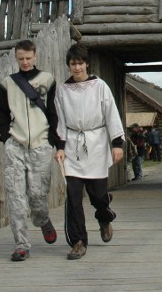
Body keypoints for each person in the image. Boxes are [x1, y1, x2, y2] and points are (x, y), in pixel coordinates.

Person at [54, 43, 125, 260]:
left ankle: (105, 217)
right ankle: (78, 241)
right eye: (73, 64)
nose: (77, 68)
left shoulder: (99, 86)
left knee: (98, 196)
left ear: (87, 64)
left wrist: (117, 143)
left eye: (80, 63)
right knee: (73, 197)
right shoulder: (62, 90)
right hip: (73, 146)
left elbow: (111, 113)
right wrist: (59, 147)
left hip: (95, 144)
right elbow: (60, 120)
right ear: (69, 66)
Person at [0, 39, 59, 262]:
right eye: (20, 58)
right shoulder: (8, 83)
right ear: (16, 57)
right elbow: (0, 112)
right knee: (16, 197)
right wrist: (6, 136)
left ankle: (42, 220)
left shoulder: (48, 80)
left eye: (28, 58)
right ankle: (21, 244)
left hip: (41, 145)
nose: (24, 62)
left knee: (38, 195)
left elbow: (53, 111)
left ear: (35, 56)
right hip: (16, 146)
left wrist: (52, 139)